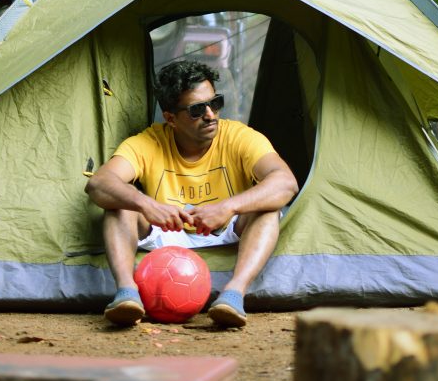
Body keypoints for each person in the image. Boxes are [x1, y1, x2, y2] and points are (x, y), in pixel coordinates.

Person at [85, 60, 299, 328]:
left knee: (268, 207)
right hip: (166, 230)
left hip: (224, 227)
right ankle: (127, 295)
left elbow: (286, 183)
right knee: (120, 201)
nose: (211, 115)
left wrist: (228, 207)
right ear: (171, 118)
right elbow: (99, 183)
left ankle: (232, 296)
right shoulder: (148, 142)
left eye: (216, 103)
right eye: (197, 110)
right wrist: (147, 204)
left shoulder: (239, 136)